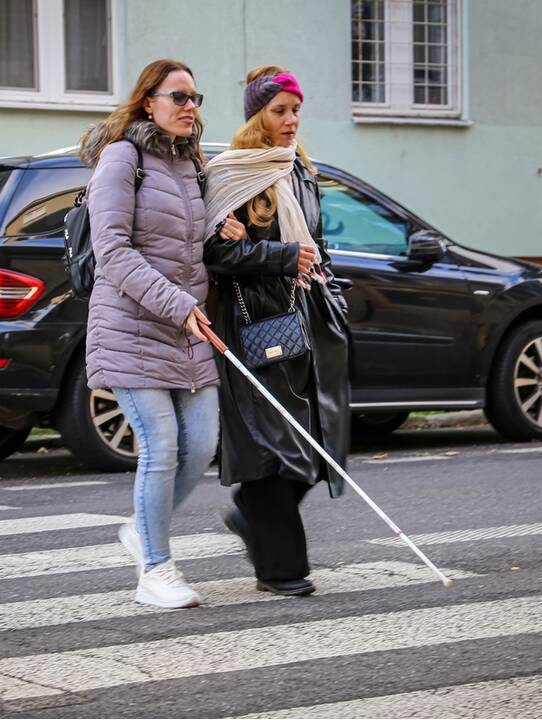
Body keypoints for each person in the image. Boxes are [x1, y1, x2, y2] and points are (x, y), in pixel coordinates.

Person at [203, 66, 350, 596]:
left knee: (315, 444)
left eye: (296, 111)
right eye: (279, 111)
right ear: (256, 116)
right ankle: (282, 569)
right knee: (272, 444)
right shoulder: (235, 172)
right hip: (252, 321)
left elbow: (315, 242)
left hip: (305, 314)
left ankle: (250, 516)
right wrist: (285, 255)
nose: (291, 122)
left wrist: (324, 275)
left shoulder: (299, 168)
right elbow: (217, 254)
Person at [79, 59, 219, 609]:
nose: (190, 107)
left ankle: (141, 529)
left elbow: (188, 246)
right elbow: (113, 251)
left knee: (202, 444)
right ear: (148, 103)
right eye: (178, 97)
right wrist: (177, 304)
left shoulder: (191, 166)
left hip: (187, 328)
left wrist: (221, 229)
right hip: (132, 326)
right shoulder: (122, 158)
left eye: (195, 97)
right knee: (160, 447)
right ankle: (155, 570)